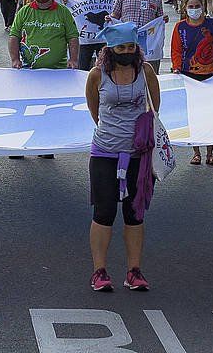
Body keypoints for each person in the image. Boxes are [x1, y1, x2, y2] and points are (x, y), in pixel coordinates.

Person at [85, 21, 161, 292]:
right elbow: (94, 110)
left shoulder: (146, 72)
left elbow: (154, 109)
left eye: (131, 46)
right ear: (110, 48)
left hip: (137, 154)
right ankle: (99, 271)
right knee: (103, 212)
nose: (127, 51)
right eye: (121, 47)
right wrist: (111, 132)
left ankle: (134, 270)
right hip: (105, 152)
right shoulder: (96, 75)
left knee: (134, 213)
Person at [171, 0, 213, 166]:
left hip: (210, 74)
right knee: (193, 116)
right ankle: (196, 153)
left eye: (197, 6)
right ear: (185, 8)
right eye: (191, 7)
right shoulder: (180, 27)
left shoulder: (212, 25)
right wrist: (177, 67)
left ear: (203, 7)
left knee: (210, 115)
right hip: (188, 75)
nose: (194, 9)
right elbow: (177, 50)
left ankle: (210, 153)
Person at [10, 0, 79, 70]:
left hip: (58, 70)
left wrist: (73, 60)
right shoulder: (24, 11)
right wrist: (15, 59)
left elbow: (73, 37)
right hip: (28, 70)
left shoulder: (63, 12)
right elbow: (14, 36)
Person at [110, 0, 164, 73]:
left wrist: (163, 19)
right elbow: (115, 14)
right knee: (127, 72)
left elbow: (159, 17)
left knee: (149, 73)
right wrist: (110, 19)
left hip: (148, 43)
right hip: (127, 42)